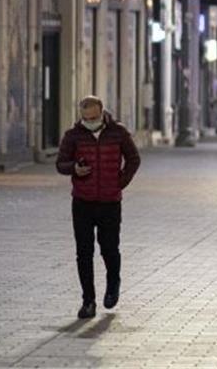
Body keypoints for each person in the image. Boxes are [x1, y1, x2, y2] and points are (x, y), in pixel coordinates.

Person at [56, 96, 141, 319]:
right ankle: (88, 301)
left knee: (109, 249)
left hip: (110, 202)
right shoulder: (73, 135)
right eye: (86, 118)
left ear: (102, 112)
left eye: (93, 117)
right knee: (83, 253)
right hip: (82, 202)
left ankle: (113, 286)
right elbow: (60, 164)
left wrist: (120, 182)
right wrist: (74, 168)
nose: (90, 121)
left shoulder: (118, 132)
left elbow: (134, 159)